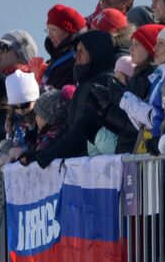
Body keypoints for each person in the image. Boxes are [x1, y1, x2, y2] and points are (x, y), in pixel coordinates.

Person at [27, 30, 134, 165]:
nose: (76, 56)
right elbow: (68, 126)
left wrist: (53, 154)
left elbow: (83, 128)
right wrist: (40, 153)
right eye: (76, 50)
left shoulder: (104, 83)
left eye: (82, 51)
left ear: (96, 52)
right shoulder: (84, 84)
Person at [42, 4, 86, 89]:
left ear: (67, 31)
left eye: (53, 29)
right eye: (48, 29)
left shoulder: (77, 59)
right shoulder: (53, 61)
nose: (50, 35)